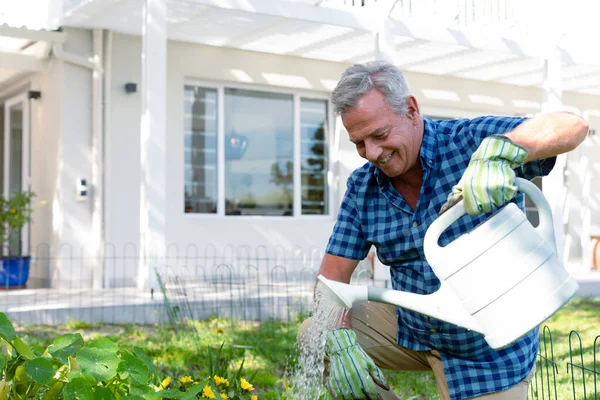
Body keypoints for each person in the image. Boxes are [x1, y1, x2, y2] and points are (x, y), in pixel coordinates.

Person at [300, 60, 588, 400]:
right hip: (413, 328)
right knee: (314, 331)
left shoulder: (469, 143)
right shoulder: (363, 188)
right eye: (359, 143)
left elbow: (571, 125)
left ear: (410, 109)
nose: (372, 153)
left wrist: (499, 155)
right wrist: (338, 337)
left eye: (379, 135)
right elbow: (330, 279)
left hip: (489, 350)